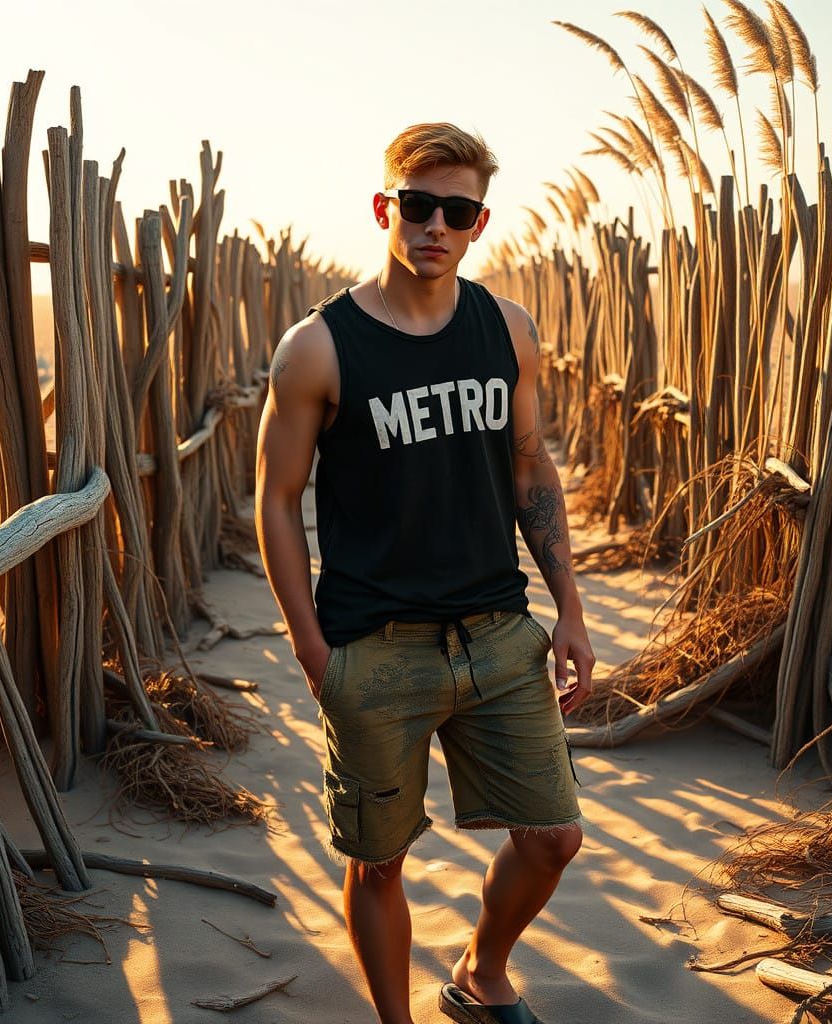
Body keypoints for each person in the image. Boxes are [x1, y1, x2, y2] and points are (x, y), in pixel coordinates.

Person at [255, 122, 596, 1024]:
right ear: (384, 208)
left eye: (458, 209)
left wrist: (570, 607)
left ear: (479, 222)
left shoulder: (507, 330)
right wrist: (313, 650)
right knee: (378, 862)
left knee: (554, 837)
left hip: (497, 633)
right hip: (375, 647)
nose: (434, 225)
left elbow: (531, 470)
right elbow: (277, 502)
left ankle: (481, 978)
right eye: (417, 205)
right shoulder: (318, 349)